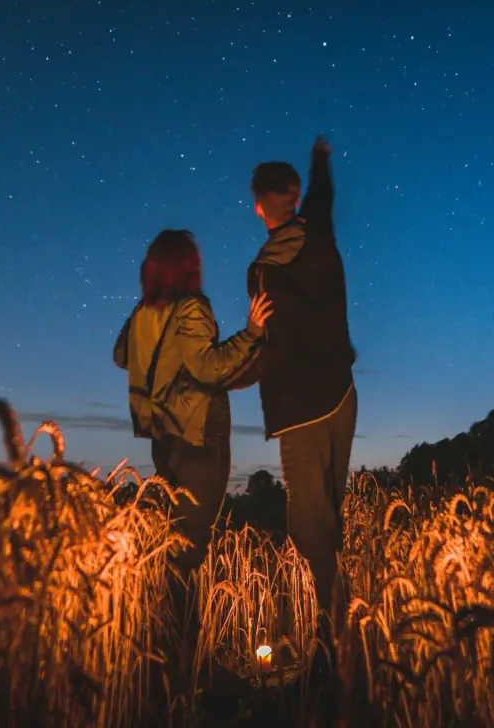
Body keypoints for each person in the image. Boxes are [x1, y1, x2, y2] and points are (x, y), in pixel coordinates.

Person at [113, 229, 273, 654]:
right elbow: (207, 368)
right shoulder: (192, 307)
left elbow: (121, 355)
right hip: (201, 436)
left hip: (163, 441)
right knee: (189, 550)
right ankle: (184, 659)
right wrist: (252, 332)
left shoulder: (143, 313)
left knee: (174, 544)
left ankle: (167, 647)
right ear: (189, 266)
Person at [245, 136, 357, 634]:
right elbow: (323, 193)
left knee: (310, 526)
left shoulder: (262, 272)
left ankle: (333, 636)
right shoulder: (319, 230)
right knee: (330, 516)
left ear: (257, 207)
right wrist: (320, 159)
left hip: (299, 410)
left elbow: (267, 346)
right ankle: (352, 622)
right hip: (341, 395)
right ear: (292, 193)